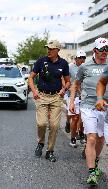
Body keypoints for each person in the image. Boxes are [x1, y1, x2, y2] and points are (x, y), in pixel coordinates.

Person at [71, 37, 108, 185]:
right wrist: (72, 101)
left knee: (100, 138)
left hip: (105, 107)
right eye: (102, 50)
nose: (105, 52)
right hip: (88, 106)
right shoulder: (84, 67)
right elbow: (76, 84)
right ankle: (92, 172)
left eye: (107, 49)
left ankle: (96, 161)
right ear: (94, 50)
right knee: (91, 137)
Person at [28, 40, 70, 162]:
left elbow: (67, 81)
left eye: (51, 49)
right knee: (41, 123)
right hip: (42, 96)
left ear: (58, 50)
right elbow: (31, 77)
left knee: (54, 125)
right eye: (48, 48)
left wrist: (64, 89)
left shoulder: (63, 64)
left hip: (56, 97)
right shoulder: (41, 61)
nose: (49, 51)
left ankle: (50, 151)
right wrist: (34, 91)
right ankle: (40, 143)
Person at [66, 50, 86, 147]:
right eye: (80, 58)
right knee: (75, 118)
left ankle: (81, 134)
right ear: (76, 59)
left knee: (82, 119)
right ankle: (73, 138)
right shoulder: (70, 67)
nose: (82, 59)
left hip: (84, 96)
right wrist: (67, 87)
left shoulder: (87, 68)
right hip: (72, 95)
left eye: (84, 58)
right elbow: (65, 79)